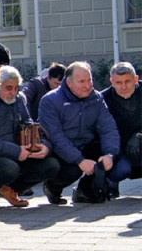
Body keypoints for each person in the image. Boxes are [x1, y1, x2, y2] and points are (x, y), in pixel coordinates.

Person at [0, 66, 60, 209]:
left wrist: (44, 146)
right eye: (9, 88)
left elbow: (30, 125)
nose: (14, 92)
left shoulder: (18, 100)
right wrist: (16, 151)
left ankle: (9, 190)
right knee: (9, 168)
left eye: (16, 88)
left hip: (15, 152)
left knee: (51, 165)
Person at [39, 61, 120, 205]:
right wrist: (79, 160)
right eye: (82, 81)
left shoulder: (96, 98)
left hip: (86, 144)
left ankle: (84, 191)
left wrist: (110, 154)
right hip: (60, 152)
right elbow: (56, 137)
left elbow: (108, 128)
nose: (88, 85)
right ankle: (52, 187)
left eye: (89, 80)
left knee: (111, 154)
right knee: (72, 171)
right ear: (69, 84)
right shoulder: (50, 101)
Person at [101, 62, 141, 197]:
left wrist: (139, 136)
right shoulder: (102, 99)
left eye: (128, 81)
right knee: (120, 170)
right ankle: (110, 183)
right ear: (112, 82)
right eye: (118, 82)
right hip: (119, 148)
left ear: (136, 79)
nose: (123, 87)